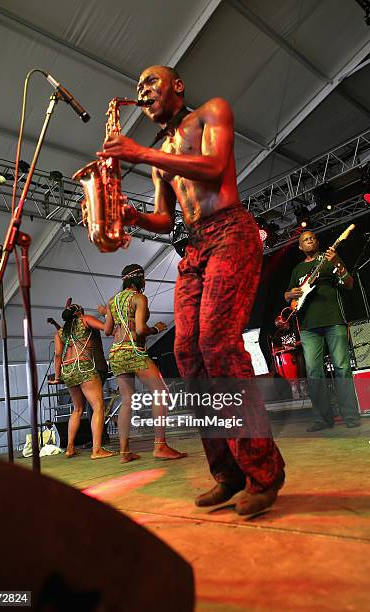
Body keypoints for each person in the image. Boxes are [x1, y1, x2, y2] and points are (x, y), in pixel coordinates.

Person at [98, 65, 285, 515]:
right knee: (187, 354)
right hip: (196, 246)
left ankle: (264, 473)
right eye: (139, 87)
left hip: (232, 232)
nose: (143, 91)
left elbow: (214, 166)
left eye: (151, 83)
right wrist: (136, 216)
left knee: (218, 344)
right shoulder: (160, 151)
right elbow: (167, 219)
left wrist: (141, 155)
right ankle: (228, 473)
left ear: (177, 85)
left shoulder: (211, 113)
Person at [104, 263, 187, 463]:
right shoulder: (139, 298)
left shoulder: (112, 301)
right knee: (161, 392)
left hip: (116, 353)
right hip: (134, 350)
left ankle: (125, 452)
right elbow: (141, 330)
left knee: (127, 401)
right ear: (140, 279)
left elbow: (107, 331)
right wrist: (156, 329)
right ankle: (160, 446)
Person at [285, 230, 360, 431]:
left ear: (317, 242)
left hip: (334, 320)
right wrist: (290, 293)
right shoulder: (297, 269)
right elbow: (289, 296)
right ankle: (322, 419)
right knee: (313, 373)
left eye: (312, 238)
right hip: (308, 326)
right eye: (304, 240)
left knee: (342, 369)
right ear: (300, 247)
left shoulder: (329, 259)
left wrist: (336, 262)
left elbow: (349, 283)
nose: (309, 241)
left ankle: (351, 415)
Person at [49, 302, 115, 459]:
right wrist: (108, 313)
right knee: (98, 406)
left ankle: (70, 448)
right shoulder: (85, 319)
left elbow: (58, 356)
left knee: (77, 409)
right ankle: (97, 450)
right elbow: (107, 329)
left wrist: (58, 377)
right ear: (78, 313)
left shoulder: (60, 332)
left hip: (68, 370)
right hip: (84, 367)